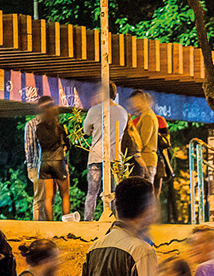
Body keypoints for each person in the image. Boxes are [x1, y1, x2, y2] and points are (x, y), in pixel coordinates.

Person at [83, 82, 130, 221]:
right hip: (116, 157)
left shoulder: (94, 110)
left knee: (92, 192)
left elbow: (86, 130)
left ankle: (88, 222)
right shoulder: (123, 112)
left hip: (97, 155)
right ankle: (117, 221)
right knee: (117, 193)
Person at [25, 96, 72, 221]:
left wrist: (30, 166)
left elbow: (30, 148)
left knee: (47, 197)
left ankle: (49, 223)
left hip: (43, 163)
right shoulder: (59, 126)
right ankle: (66, 222)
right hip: (57, 162)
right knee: (65, 195)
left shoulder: (37, 127)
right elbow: (67, 145)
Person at [128, 90, 159, 182]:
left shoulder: (147, 116)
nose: (133, 106)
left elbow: (143, 141)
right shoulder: (146, 115)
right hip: (147, 160)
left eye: (134, 102)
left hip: (146, 160)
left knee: (145, 192)